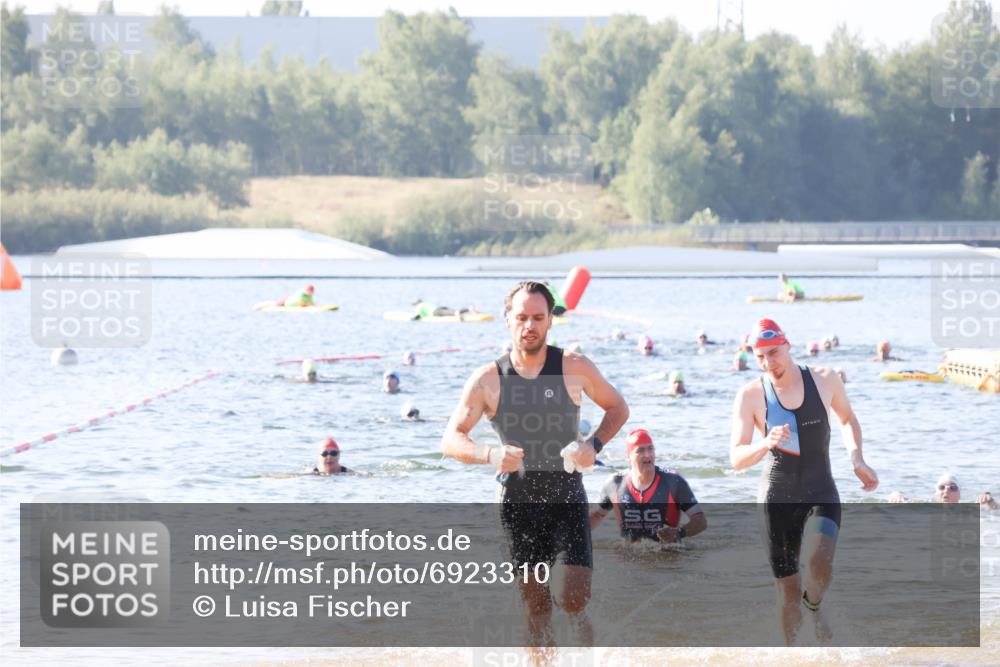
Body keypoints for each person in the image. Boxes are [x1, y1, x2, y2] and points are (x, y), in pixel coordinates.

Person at [442, 280, 629, 651]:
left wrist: (592, 445)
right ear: (507, 319)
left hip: (566, 498)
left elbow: (618, 408)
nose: (529, 325)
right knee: (536, 609)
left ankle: (583, 649)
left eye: (538, 318)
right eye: (522, 317)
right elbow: (451, 439)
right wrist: (490, 454)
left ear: (550, 321)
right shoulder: (488, 379)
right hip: (517, 504)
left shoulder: (573, 366)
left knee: (572, 598)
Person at [730, 318, 878, 645]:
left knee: (819, 561)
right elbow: (736, 457)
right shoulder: (750, 395)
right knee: (787, 592)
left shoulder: (825, 379)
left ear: (788, 346)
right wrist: (765, 443)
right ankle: (792, 655)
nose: (769, 363)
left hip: (820, 490)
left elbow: (847, 419)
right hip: (776, 499)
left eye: (774, 353)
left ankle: (814, 606)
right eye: (760, 357)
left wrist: (857, 458)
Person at [590, 428, 707, 545]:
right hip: (629, 553)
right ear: (629, 456)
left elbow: (700, 521)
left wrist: (679, 532)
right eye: (640, 450)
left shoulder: (673, 481)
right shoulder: (615, 483)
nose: (647, 454)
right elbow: (595, 516)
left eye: (650, 448)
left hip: (668, 554)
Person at [888, 472, 998, 509]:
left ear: (959, 495)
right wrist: (896, 495)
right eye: (942, 487)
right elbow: (896, 496)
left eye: (953, 488)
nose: (946, 491)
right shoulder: (926, 504)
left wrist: (990, 500)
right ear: (936, 492)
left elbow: (995, 509)